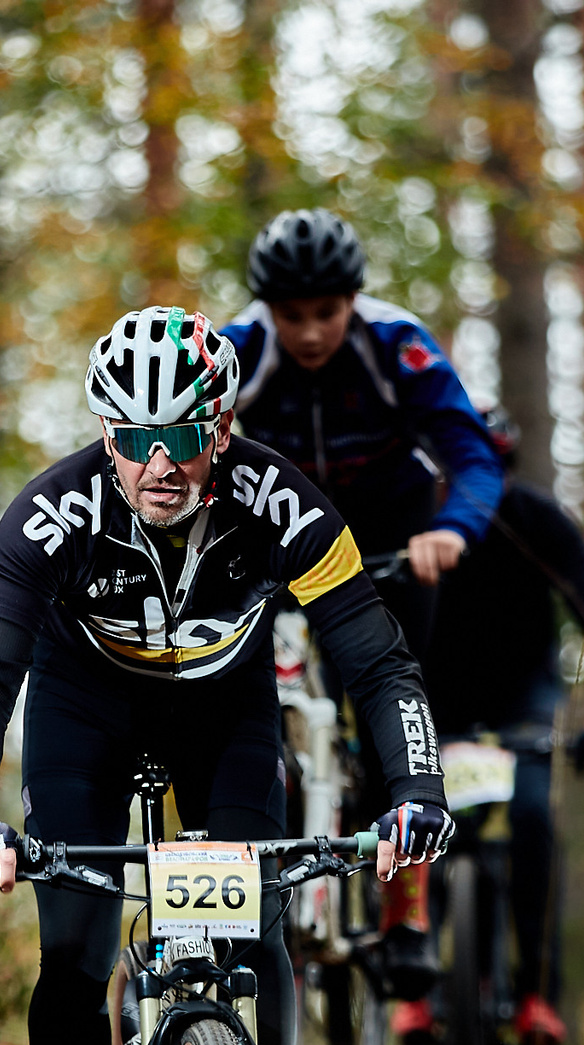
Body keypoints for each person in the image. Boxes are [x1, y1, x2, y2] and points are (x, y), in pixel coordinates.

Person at [0, 305, 455, 1045]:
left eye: (180, 438)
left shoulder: (281, 499)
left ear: (220, 429)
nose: (156, 467)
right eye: (132, 441)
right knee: (75, 946)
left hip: (224, 713)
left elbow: (377, 660)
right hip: (83, 710)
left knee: (257, 926)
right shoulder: (54, 511)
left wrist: (415, 788)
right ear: (106, 435)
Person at [220, 210, 507, 1002]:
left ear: (353, 300)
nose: (310, 333)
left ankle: (405, 909)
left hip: (389, 539)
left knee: (389, 706)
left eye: (327, 313)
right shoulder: (234, 350)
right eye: (292, 316)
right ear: (266, 310)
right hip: (281, 533)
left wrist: (450, 530)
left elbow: (473, 454)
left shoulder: (397, 344)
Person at [416, 473, 584, 1045]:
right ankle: (413, 969)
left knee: (534, 816)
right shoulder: (416, 511)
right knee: (413, 820)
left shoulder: (537, 519)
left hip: (527, 702)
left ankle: (538, 992)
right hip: (436, 701)